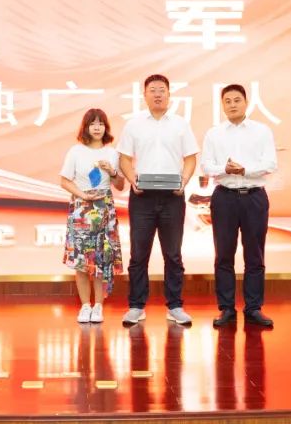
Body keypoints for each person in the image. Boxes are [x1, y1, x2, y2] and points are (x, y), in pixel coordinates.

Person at [116, 74, 199, 327]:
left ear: (169, 94)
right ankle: (136, 306)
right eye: (152, 90)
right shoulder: (133, 125)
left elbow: (190, 157)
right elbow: (124, 158)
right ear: (144, 95)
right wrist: (132, 179)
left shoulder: (181, 124)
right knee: (139, 253)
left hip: (173, 196)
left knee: (173, 254)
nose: (157, 94)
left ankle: (175, 306)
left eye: (162, 90)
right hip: (142, 197)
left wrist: (184, 181)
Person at [200, 84, 277, 328]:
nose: (232, 104)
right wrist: (224, 169)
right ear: (222, 105)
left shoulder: (261, 131)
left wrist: (245, 170)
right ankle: (226, 308)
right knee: (224, 254)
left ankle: (253, 308)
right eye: (227, 101)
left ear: (246, 102)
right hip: (224, 197)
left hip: (254, 197)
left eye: (237, 100)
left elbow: (270, 163)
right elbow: (206, 165)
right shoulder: (214, 133)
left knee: (255, 255)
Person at [59, 108, 125, 323]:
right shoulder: (76, 151)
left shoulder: (112, 153)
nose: (97, 128)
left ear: (106, 128)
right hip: (81, 208)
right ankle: (85, 306)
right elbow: (64, 181)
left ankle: (98, 306)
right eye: (93, 124)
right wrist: (83, 195)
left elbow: (120, 185)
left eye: (101, 123)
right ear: (86, 127)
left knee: (101, 260)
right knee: (81, 260)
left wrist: (112, 172)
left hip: (104, 207)